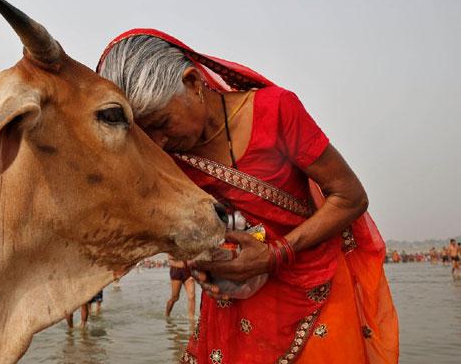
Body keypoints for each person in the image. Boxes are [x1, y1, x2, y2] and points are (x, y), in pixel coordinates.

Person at [97, 29, 398, 363]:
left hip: (315, 285)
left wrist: (274, 255)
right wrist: (203, 265)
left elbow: (350, 197)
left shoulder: (276, 111)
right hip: (235, 304)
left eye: (162, 123)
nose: (159, 142)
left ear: (194, 83)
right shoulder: (168, 160)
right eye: (145, 134)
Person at [166, 254, 196, 318]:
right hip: (176, 270)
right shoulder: (173, 245)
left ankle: (191, 319)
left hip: (188, 270)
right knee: (175, 297)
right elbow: (170, 258)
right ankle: (167, 314)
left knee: (192, 296)